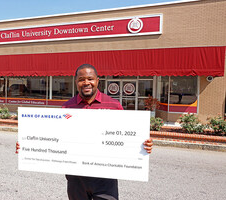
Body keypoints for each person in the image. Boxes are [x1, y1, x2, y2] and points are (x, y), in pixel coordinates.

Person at [16, 64, 153, 200]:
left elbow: (126, 137)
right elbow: (57, 138)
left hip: (105, 178)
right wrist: (28, 146)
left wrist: (142, 145)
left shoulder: (113, 105)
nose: (86, 83)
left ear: (97, 81)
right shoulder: (67, 107)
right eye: (81, 79)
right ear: (76, 82)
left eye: (90, 79)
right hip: (76, 178)